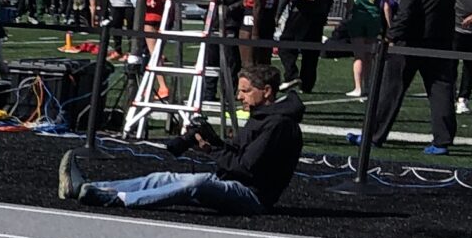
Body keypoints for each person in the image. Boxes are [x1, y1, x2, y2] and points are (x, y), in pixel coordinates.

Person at [60, 64, 301, 215]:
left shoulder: (278, 125)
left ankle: (117, 199)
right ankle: (88, 188)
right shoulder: (262, 116)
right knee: (163, 178)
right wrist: (212, 144)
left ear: (267, 91)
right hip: (234, 182)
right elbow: (238, 154)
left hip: (253, 197)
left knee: (194, 184)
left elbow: (246, 168)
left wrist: (213, 151)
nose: (239, 96)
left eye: (245, 91)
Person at [365, 0, 460, 154]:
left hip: (411, 40)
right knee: (441, 90)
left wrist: (392, 34)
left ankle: (374, 134)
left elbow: (408, 9)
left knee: (391, 87)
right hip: (441, 40)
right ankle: (442, 140)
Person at [275, 0, 334, 99]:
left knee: (285, 44)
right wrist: (325, 14)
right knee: (311, 50)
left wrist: (277, 14)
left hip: (298, 11)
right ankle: (307, 84)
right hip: (318, 14)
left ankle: (291, 74)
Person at [341, 0, 390, 101]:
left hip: (359, 19)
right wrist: (389, 25)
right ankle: (368, 85)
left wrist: (347, 16)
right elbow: (386, 6)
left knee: (358, 55)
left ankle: (358, 87)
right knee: (369, 55)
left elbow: (349, 2)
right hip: (374, 19)